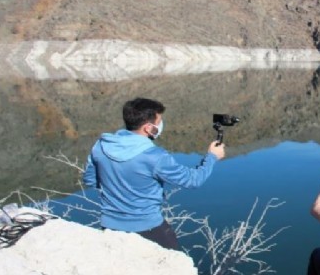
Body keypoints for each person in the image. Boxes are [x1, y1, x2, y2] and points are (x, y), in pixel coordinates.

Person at [82, 97, 225, 250]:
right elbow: (193, 180)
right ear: (149, 128)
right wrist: (212, 157)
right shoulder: (155, 157)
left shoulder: (101, 146)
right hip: (149, 228)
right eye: (159, 122)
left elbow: (90, 180)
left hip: (110, 227)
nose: (161, 125)